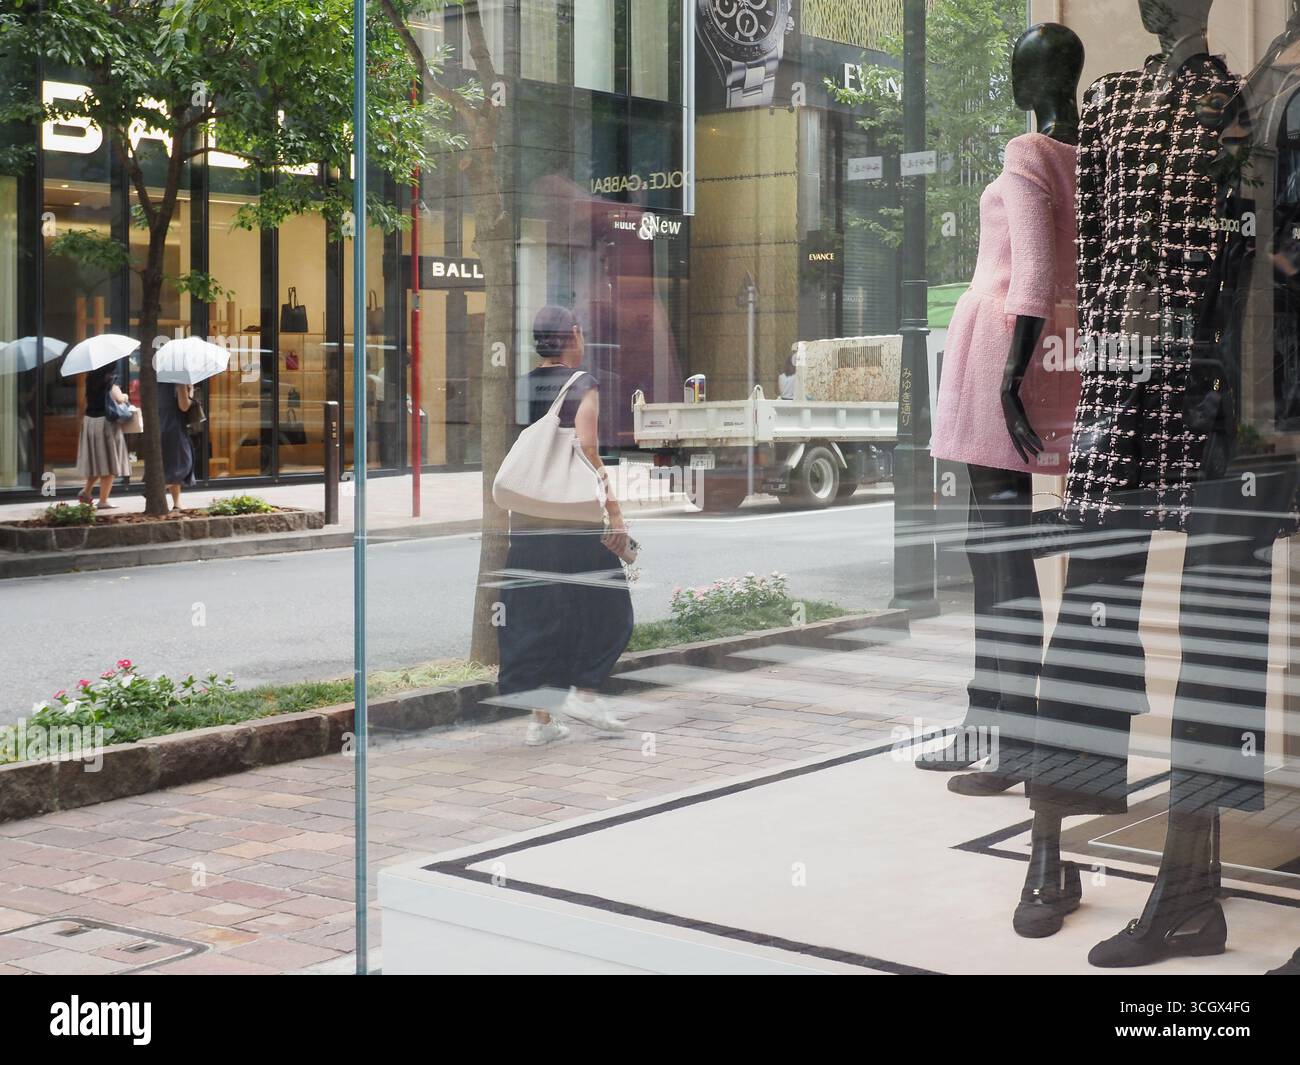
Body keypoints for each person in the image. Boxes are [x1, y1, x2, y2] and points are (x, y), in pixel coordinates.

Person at [497, 305, 634, 747]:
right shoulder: (583, 383)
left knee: (540, 611)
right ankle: (587, 695)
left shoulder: (522, 385)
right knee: (607, 608)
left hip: (530, 516)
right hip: (573, 516)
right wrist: (614, 512)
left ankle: (542, 720)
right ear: (574, 334)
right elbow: (588, 451)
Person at [75, 362, 131, 509]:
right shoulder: (111, 382)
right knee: (110, 463)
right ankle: (103, 500)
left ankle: (86, 491)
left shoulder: (90, 379)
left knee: (97, 462)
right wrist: (124, 396)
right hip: (106, 424)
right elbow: (119, 399)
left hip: (90, 422)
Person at [159, 382, 196, 510]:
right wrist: (190, 391)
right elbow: (184, 406)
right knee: (184, 464)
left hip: (160, 425)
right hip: (174, 426)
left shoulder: (157, 379)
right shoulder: (179, 380)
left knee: (172, 466)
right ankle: (155, 490)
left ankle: (177, 503)